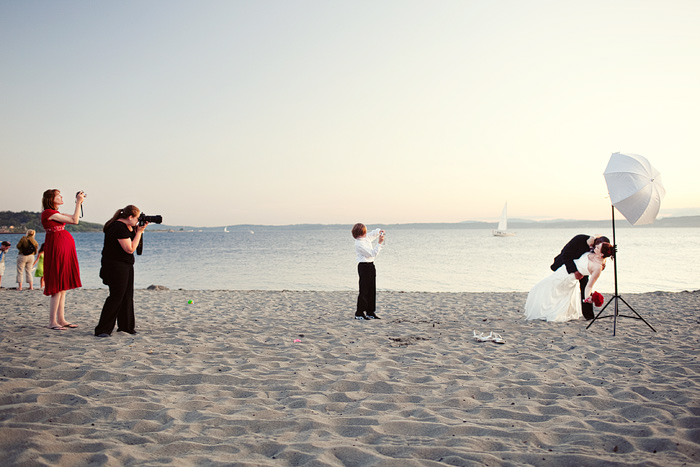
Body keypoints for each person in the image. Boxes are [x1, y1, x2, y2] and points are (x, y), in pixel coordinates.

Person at [525, 241, 615, 322]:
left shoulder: (597, 268)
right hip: (564, 270)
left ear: (602, 255)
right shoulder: (593, 253)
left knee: (549, 290)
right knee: (551, 290)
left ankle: (547, 312)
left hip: (568, 278)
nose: (595, 247)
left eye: (598, 248)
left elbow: (589, 286)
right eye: (597, 246)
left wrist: (587, 297)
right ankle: (546, 311)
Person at [94, 205, 148, 337]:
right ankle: (103, 329)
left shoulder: (126, 227)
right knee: (116, 296)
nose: (137, 221)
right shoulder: (118, 227)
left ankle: (127, 327)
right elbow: (129, 249)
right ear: (130, 217)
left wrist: (137, 230)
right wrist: (139, 233)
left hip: (125, 265)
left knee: (127, 296)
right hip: (115, 266)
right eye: (136, 218)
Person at [41, 189, 85, 330]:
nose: (61, 197)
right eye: (58, 196)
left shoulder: (55, 213)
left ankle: (61, 319)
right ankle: (52, 321)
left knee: (63, 286)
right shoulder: (48, 213)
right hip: (57, 247)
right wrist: (78, 202)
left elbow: (73, 217)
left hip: (62, 246)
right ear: (51, 199)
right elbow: (75, 220)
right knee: (58, 285)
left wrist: (78, 203)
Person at [550, 234, 610, 320]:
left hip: (583, 269)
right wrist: (575, 271)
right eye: (597, 247)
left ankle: (589, 316)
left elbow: (600, 265)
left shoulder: (599, 250)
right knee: (560, 289)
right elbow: (565, 254)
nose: (597, 249)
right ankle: (555, 310)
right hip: (567, 264)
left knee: (586, 288)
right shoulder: (579, 239)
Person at [352, 223, 385, 320]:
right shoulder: (359, 243)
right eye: (365, 231)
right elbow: (372, 253)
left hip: (370, 265)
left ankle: (370, 312)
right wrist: (379, 243)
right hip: (363, 266)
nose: (366, 233)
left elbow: (373, 234)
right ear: (361, 232)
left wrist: (380, 231)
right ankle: (359, 313)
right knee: (364, 290)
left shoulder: (365, 238)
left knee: (372, 289)